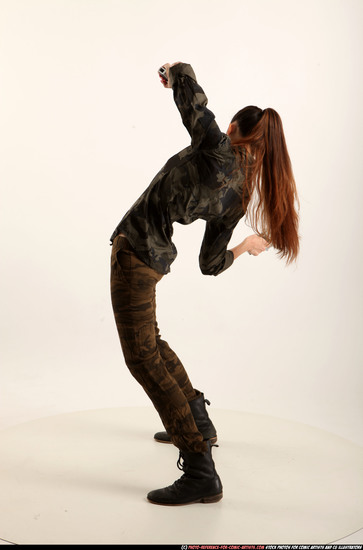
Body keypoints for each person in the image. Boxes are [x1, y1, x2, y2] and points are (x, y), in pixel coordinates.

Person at [110, 62, 299, 506]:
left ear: (234, 127)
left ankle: (199, 467)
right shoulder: (241, 192)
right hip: (151, 258)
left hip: (137, 253)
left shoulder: (215, 148)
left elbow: (193, 102)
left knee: (141, 358)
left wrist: (175, 70)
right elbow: (211, 263)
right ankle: (199, 420)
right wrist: (245, 246)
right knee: (150, 344)